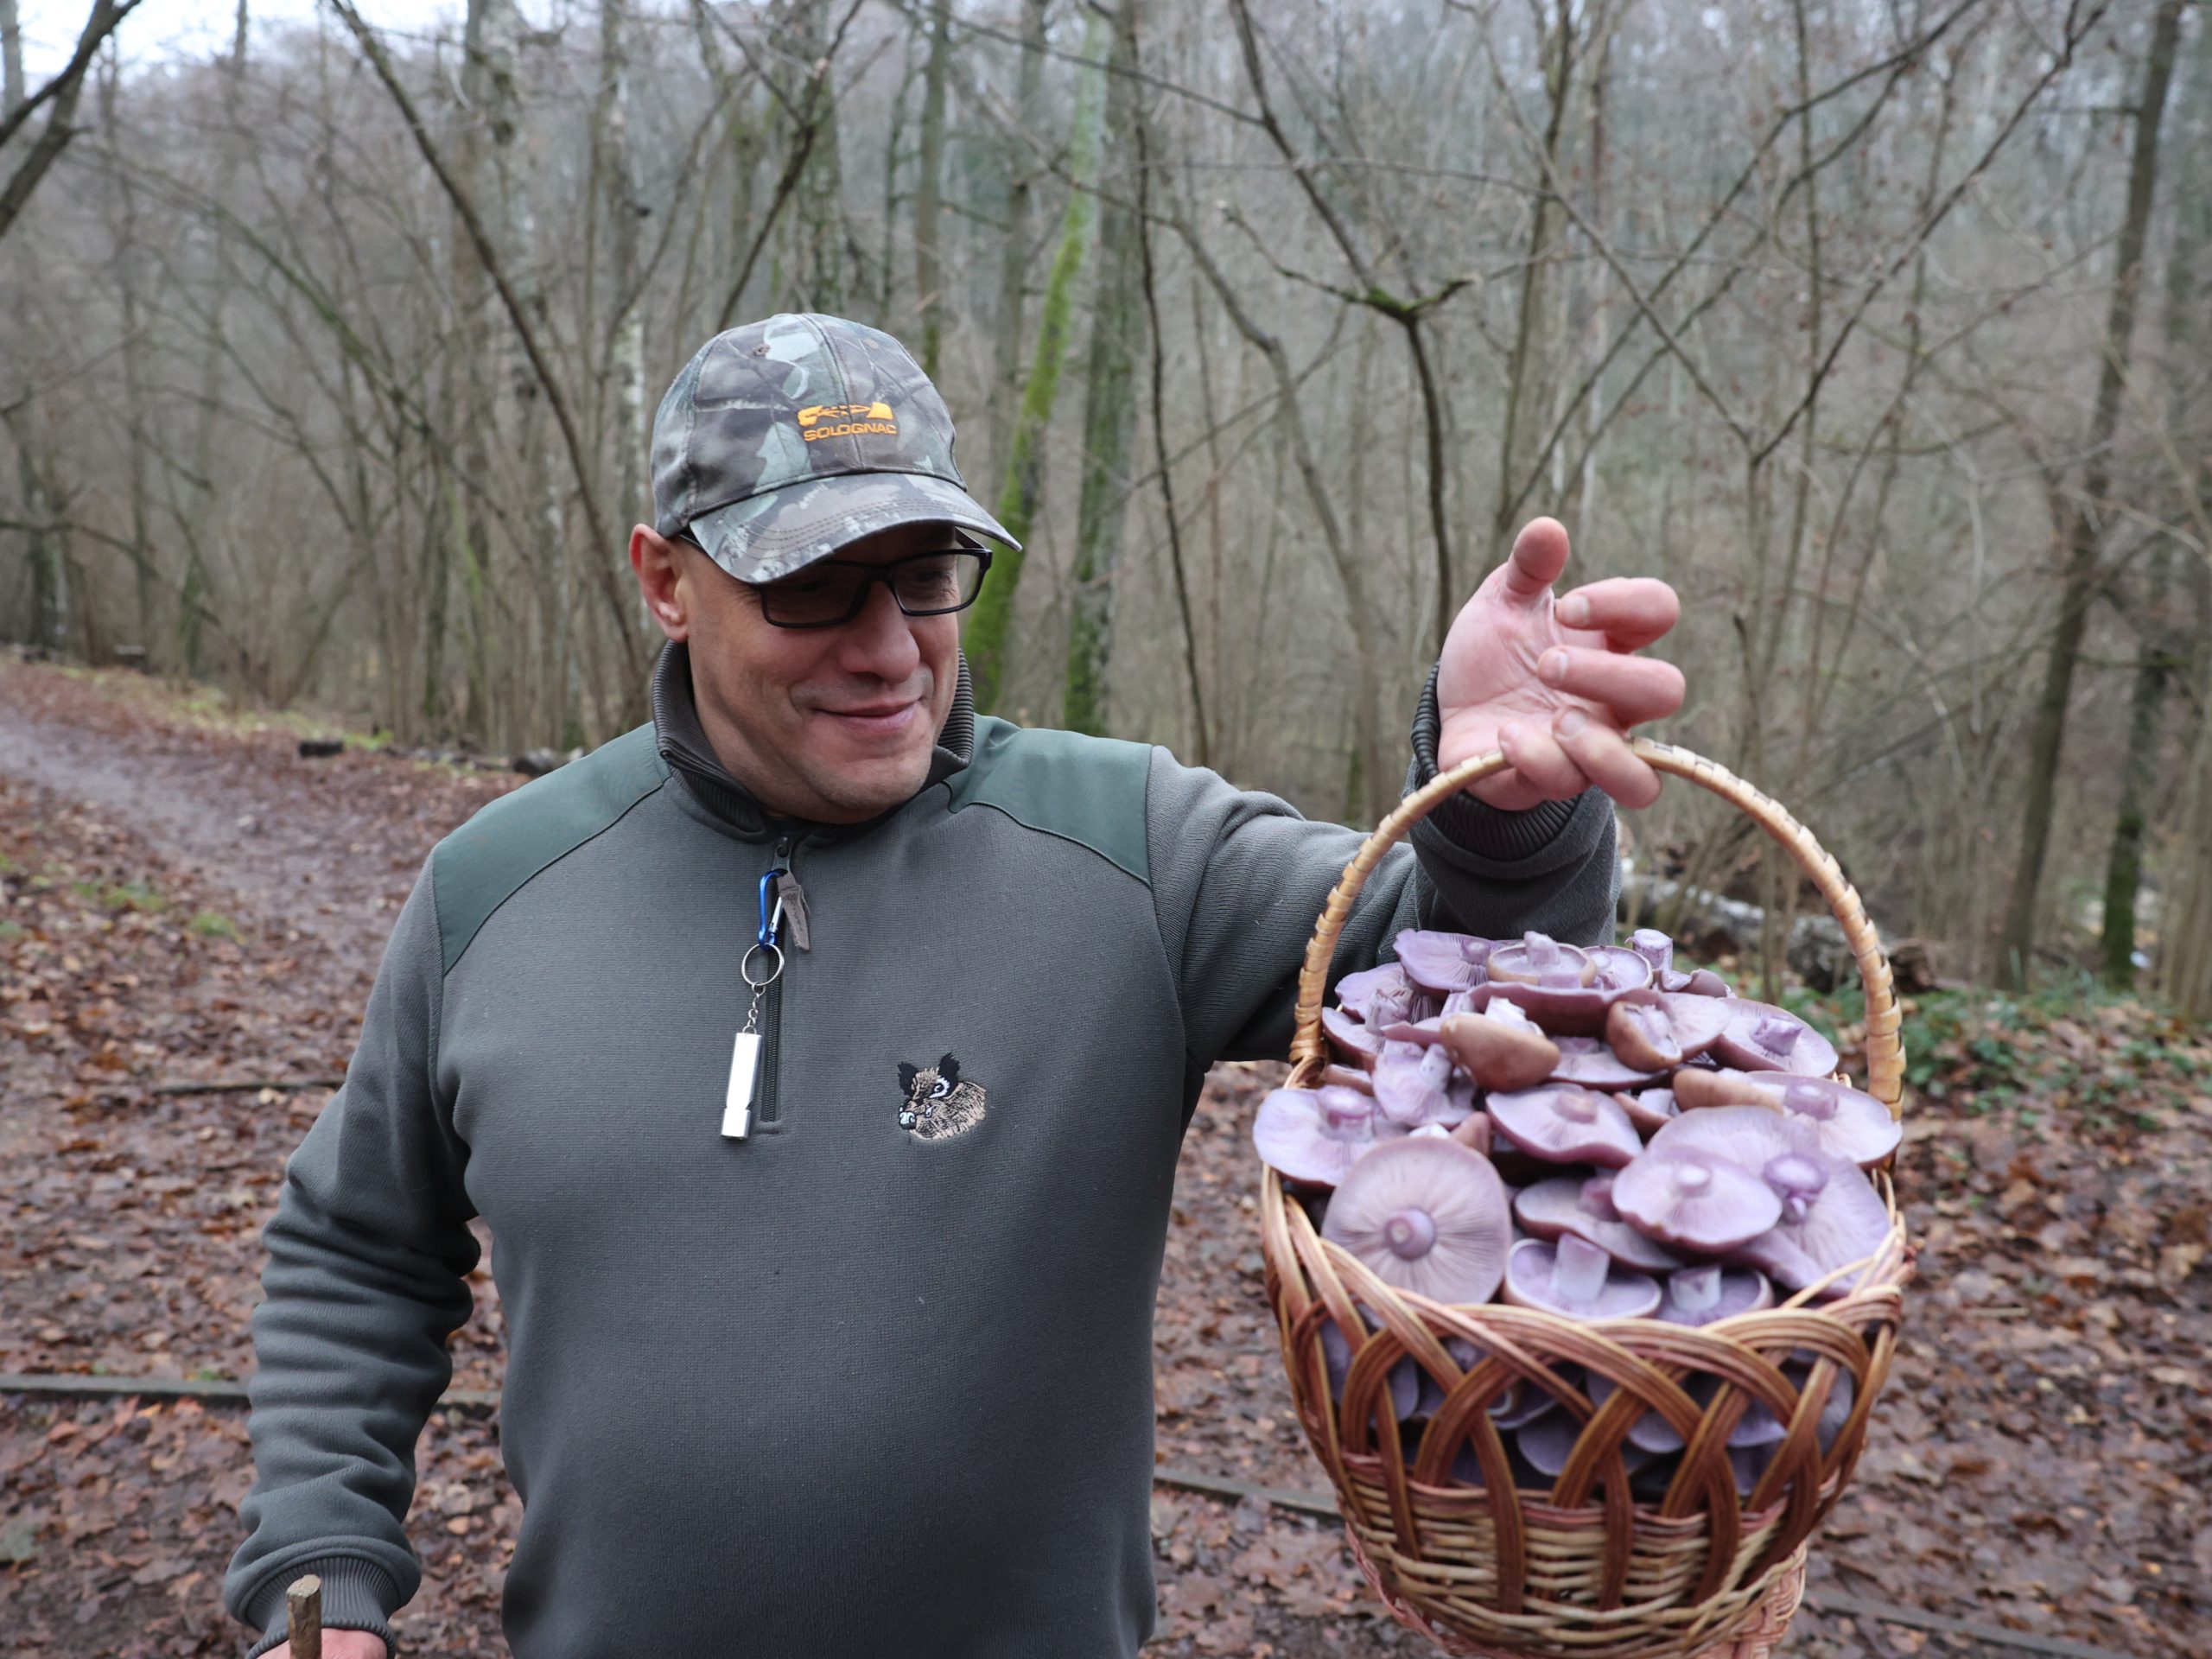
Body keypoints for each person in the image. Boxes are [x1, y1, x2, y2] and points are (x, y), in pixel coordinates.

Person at [222, 313, 1682, 1658]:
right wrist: (319, 1573)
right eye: (809, 585)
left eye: (924, 578)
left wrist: (1502, 806)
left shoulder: (1130, 850)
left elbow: (1471, 981)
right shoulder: (498, 892)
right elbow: (358, 1244)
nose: (884, 647)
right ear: (665, 579)